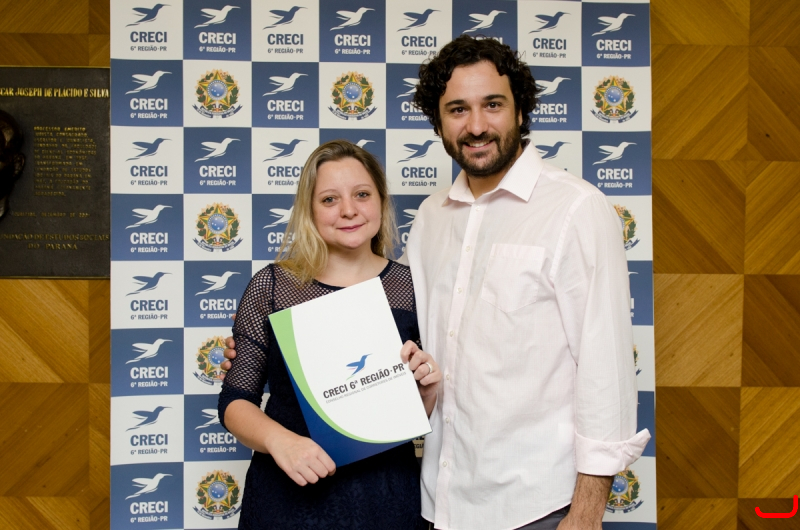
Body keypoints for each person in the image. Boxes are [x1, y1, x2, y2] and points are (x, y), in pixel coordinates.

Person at [225, 35, 650, 530]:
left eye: (493, 104)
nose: (476, 125)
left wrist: (587, 513)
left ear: (520, 110)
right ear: (439, 121)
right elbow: (394, 342)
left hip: (535, 505)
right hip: (437, 502)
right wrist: (267, 347)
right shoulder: (431, 218)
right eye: (457, 109)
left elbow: (606, 372)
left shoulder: (575, 209)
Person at [218, 139, 441, 530]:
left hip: (386, 499)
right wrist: (279, 441)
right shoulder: (273, 287)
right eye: (329, 199)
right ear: (309, 209)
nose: (348, 210)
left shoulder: (414, 289)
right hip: (288, 499)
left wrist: (426, 394)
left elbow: (407, 414)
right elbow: (234, 402)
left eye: (362, 194)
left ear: (381, 201)